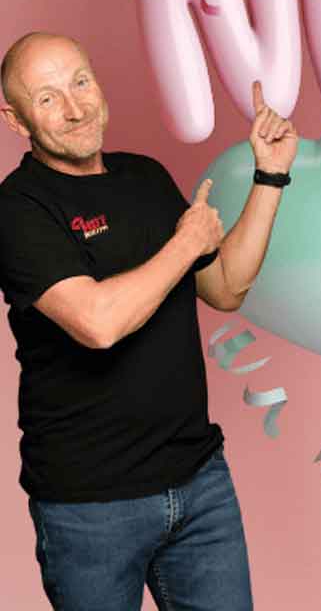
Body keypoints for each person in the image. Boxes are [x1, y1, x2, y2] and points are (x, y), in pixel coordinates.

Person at [0, 31, 299, 611]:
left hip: (200, 482)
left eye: (81, 82)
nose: (75, 108)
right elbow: (97, 322)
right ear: (16, 121)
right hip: (91, 509)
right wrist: (184, 246)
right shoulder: (18, 209)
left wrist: (269, 177)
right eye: (48, 98)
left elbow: (226, 289)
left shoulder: (146, 178)